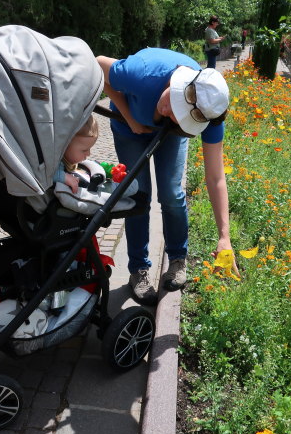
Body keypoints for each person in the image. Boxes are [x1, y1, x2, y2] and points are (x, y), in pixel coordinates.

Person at [96, 48, 238, 305]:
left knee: (171, 193)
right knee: (138, 196)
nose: (169, 113)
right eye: (174, 105)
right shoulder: (141, 72)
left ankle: (177, 260)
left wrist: (224, 236)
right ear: (178, 84)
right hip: (128, 130)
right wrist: (129, 117)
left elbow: (216, 177)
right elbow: (98, 65)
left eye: (182, 117)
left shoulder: (210, 111)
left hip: (169, 136)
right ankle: (138, 270)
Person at [53, 115, 98, 193]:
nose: (89, 154)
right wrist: (63, 177)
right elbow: (40, 175)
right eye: (84, 150)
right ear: (64, 145)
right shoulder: (54, 161)